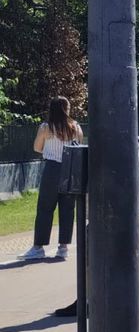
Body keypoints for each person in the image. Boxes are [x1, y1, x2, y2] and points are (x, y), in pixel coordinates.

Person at [18, 97, 84, 260]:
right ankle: (63, 247)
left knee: (45, 208)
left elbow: (37, 147)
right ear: (65, 109)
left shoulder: (46, 127)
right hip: (70, 169)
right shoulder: (75, 127)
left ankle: (39, 246)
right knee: (67, 208)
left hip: (52, 168)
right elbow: (79, 143)